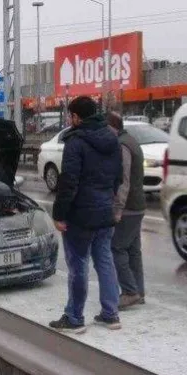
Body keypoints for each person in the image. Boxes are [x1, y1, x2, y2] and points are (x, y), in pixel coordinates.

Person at [49, 96, 123, 333]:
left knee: (78, 265)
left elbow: (68, 182)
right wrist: (107, 199)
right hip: (104, 211)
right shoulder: (112, 138)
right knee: (105, 261)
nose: (69, 120)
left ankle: (74, 318)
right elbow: (118, 177)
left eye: (70, 115)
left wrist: (59, 215)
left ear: (77, 117)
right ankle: (111, 314)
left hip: (80, 215)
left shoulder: (76, 141)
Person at [108, 112, 146, 309]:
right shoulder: (132, 140)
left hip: (129, 207)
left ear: (111, 127)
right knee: (133, 250)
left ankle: (130, 291)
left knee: (117, 248)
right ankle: (139, 291)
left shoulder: (122, 145)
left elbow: (124, 180)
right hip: (138, 204)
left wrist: (117, 208)